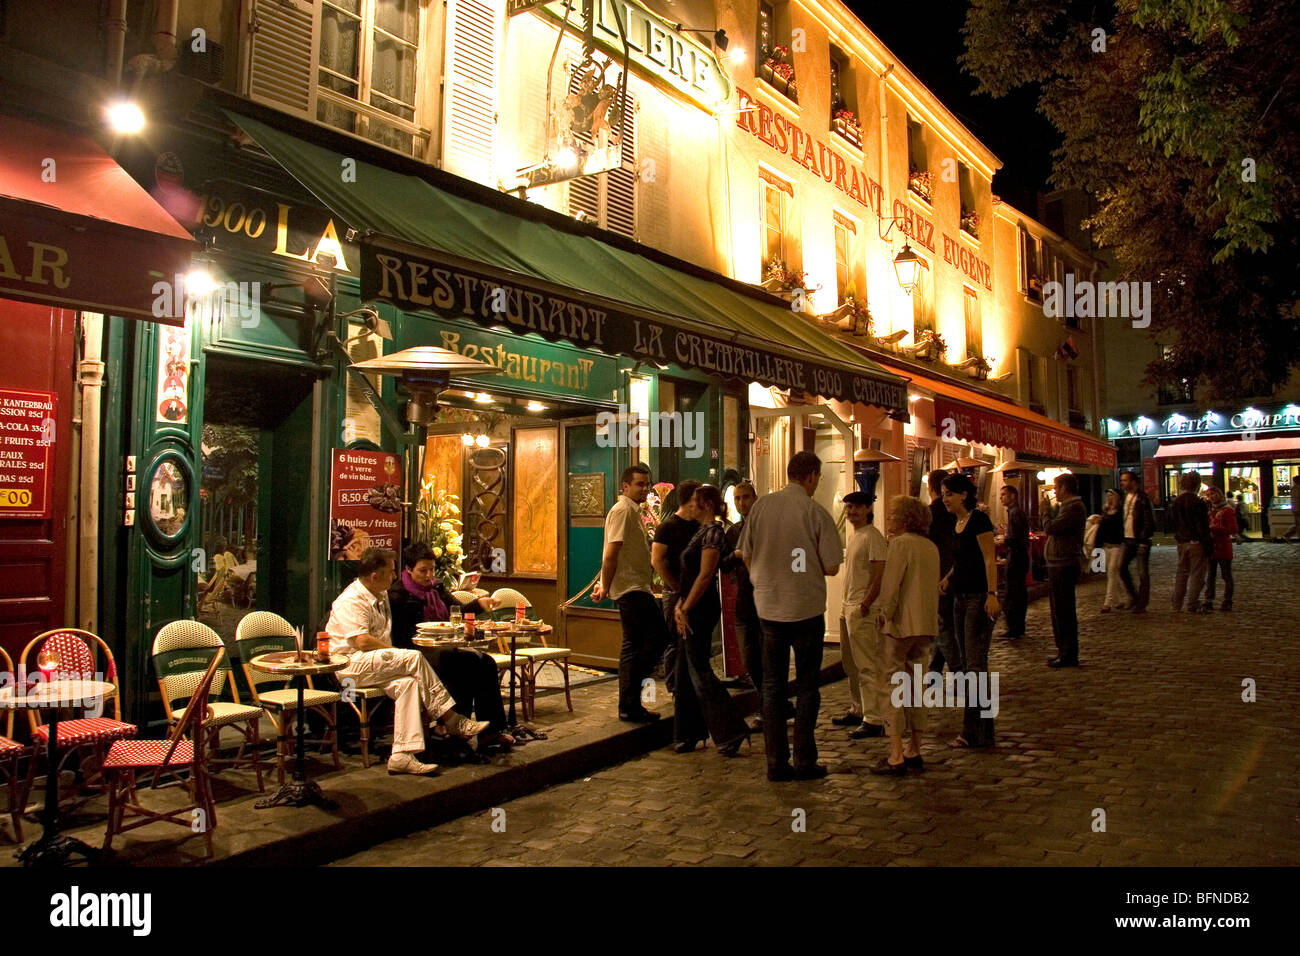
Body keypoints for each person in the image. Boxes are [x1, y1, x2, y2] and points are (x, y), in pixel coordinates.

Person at [325, 548, 490, 775]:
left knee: (408, 685)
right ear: (375, 576)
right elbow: (362, 641)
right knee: (412, 657)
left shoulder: (379, 594)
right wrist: (395, 653)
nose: (394, 577)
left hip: (373, 663)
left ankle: (402, 754)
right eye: (391, 572)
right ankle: (451, 718)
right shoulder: (352, 600)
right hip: (349, 666)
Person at [738, 451, 842, 782]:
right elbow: (831, 566)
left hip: (769, 609)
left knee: (772, 686)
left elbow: (746, 553)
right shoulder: (816, 512)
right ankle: (805, 760)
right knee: (808, 685)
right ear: (811, 476)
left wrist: (760, 580)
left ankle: (776, 762)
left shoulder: (762, 507)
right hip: (807, 609)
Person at [389, 542, 514, 749]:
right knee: (463, 664)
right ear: (409, 569)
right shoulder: (399, 595)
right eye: (423, 570)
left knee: (486, 662)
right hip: (417, 651)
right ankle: (452, 729)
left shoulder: (436, 587)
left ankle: (492, 731)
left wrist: (480, 604)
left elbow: (457, 610)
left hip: (444, 647)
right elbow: (402, 637)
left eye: (431, 569)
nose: (429, 575)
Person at [671, 485, 752, 757]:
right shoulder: (703, 532)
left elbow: (705, 575)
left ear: (705, 504)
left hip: (701, 608)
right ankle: (690, 733)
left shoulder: (713, 533)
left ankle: (730, 729)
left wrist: (686, 607)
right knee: (685, 671)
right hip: (692, 604)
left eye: (694, 502)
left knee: (699, 670)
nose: (689, 507)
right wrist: (681, 603)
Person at [593, 464, 669, 722]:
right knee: (653, 639)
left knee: (636, 645)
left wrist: (605, 583)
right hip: (631, 588)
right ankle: (629, 702)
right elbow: (611, 553)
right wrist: (606, 584)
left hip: (637, 585)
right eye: (639, 484)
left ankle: (630, 703)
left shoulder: (633, 511)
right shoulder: (623, 510)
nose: (645, 489)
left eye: (647, 484)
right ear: (625, 486)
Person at [870, 495, 939, 776]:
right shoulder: (930, 547)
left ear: (904, 518)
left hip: (900, 626)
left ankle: (896, 752)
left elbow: (892, 585)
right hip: (925, 625)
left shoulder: (899, 545)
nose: (889, 518)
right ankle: (916, 747)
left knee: (892, 685)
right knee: (917, 686)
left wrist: (882, 612)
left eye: (893, 514)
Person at [939, 473, 998, 748]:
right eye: (943, 494)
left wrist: (992, 594)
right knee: (967, 665)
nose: (945, 499)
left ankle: (974, 731)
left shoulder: (979, 520)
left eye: (949, 493)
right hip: (958, 597)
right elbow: (963, 559)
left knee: (975, 666)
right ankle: (982, 731)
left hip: (977, 597)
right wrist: (949, 576)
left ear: (963, 494)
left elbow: (988, 559)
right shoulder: (957, 523)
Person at [837, 491, 888, 739]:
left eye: (856, 507)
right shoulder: (855, 535)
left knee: (867, 664)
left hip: (861, 608)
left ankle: (874, 718)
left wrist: (866, 603)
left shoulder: (873, 536)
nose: (851, 512)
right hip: (848, 606)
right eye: (848, 508)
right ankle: (858, 708)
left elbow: (880, 573)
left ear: (868, 509)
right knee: (851, 663)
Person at [652, 479, 701, 693]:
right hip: (674, 592)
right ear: (691, 500)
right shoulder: (668, 527)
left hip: (697, 591)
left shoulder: (700, 526)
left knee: (694, 638)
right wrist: (675, 586)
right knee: (674, 639)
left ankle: (690, 682)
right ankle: (674, 685)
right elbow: (657, 560)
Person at [723, 481, 764, 704]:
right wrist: (737, 556)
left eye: (745, 497)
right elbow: (724, 562)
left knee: (766, 658)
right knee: (749, 658)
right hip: (744, 600)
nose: (741, 503)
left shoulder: (764, 527)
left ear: (755, 498)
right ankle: (769, 703)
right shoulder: (734, 531)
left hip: (764, 599)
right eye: (737, 499)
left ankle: (769, 706)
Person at [1041, 473, 1086, 668]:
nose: (1054, 492)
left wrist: (1045, 512)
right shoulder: (1067, 507)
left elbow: (1052, 528)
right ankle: (1063, 650)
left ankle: (1068, 653)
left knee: (1063, 611)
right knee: (1058, 611)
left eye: (1056, 488)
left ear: (1065, 488)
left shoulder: (1073, 508)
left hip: (1064, 563)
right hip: (1058, 563)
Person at [926, 469, 957, 673]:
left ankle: (959, 671)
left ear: (930, 487)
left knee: (943, 626)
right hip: (955, 570)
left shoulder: (929, 513)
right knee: (945, 624)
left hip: (938, 573)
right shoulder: (956, 511)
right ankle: (934, 672)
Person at [1171, 470, 1213, 612]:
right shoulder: (1198, 502)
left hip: (1182, 541)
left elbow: (1173, 522)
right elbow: (1202, 526)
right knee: (1197, 574)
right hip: (1196, 542)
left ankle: (1177, 604)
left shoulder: (1176, 502)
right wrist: (1207, 544)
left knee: (1182, 573)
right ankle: (1192, 603)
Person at [1118, 470, 1155, 613]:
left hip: (1140, 540)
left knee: (1142, 572)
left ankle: (1142, 603)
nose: (1122, 483)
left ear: (1133, 482)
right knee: (1121, 568)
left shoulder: (1143, 498)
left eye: (1125, 480)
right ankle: (1134, 596)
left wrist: (1144, 540)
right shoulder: (1126, 498)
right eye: (1122, 480)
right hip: (1128, 539)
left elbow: (1148, 520)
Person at [998, 484, 1029, 639]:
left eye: (1004, 494)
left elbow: (1015, 538)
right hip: (1019, 557)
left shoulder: (1015, 513)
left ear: (1013, 496)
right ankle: (1018, 626)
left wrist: (1004, 539)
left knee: (1013, 593)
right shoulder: (1014, 512)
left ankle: (1014, 627)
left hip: (1016, 557)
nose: (1000, 497)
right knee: (1017, 593)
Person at [1206, 487, 1237, 611]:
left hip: (1223, 545)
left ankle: (1227, 600)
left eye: (1213, 494)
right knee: (1210, 575)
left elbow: (1233, 529)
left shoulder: (1228, 510)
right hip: (1212, 546)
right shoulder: (1210, 511)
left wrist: (1214, 529)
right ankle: (1209, 600)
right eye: (1209, 495)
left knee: (1226, 574)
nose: (1212, 497)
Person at [1098, 489, 1127, 612]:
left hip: (1116, 546)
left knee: (1111, 573)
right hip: (1106, 545)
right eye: (1107, 495)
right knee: (1113, 574)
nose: (1109, 498)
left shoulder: (1120, 512)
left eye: (1111, 495)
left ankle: (1108, 602)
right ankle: (1121, 599)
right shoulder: (1105, 510)